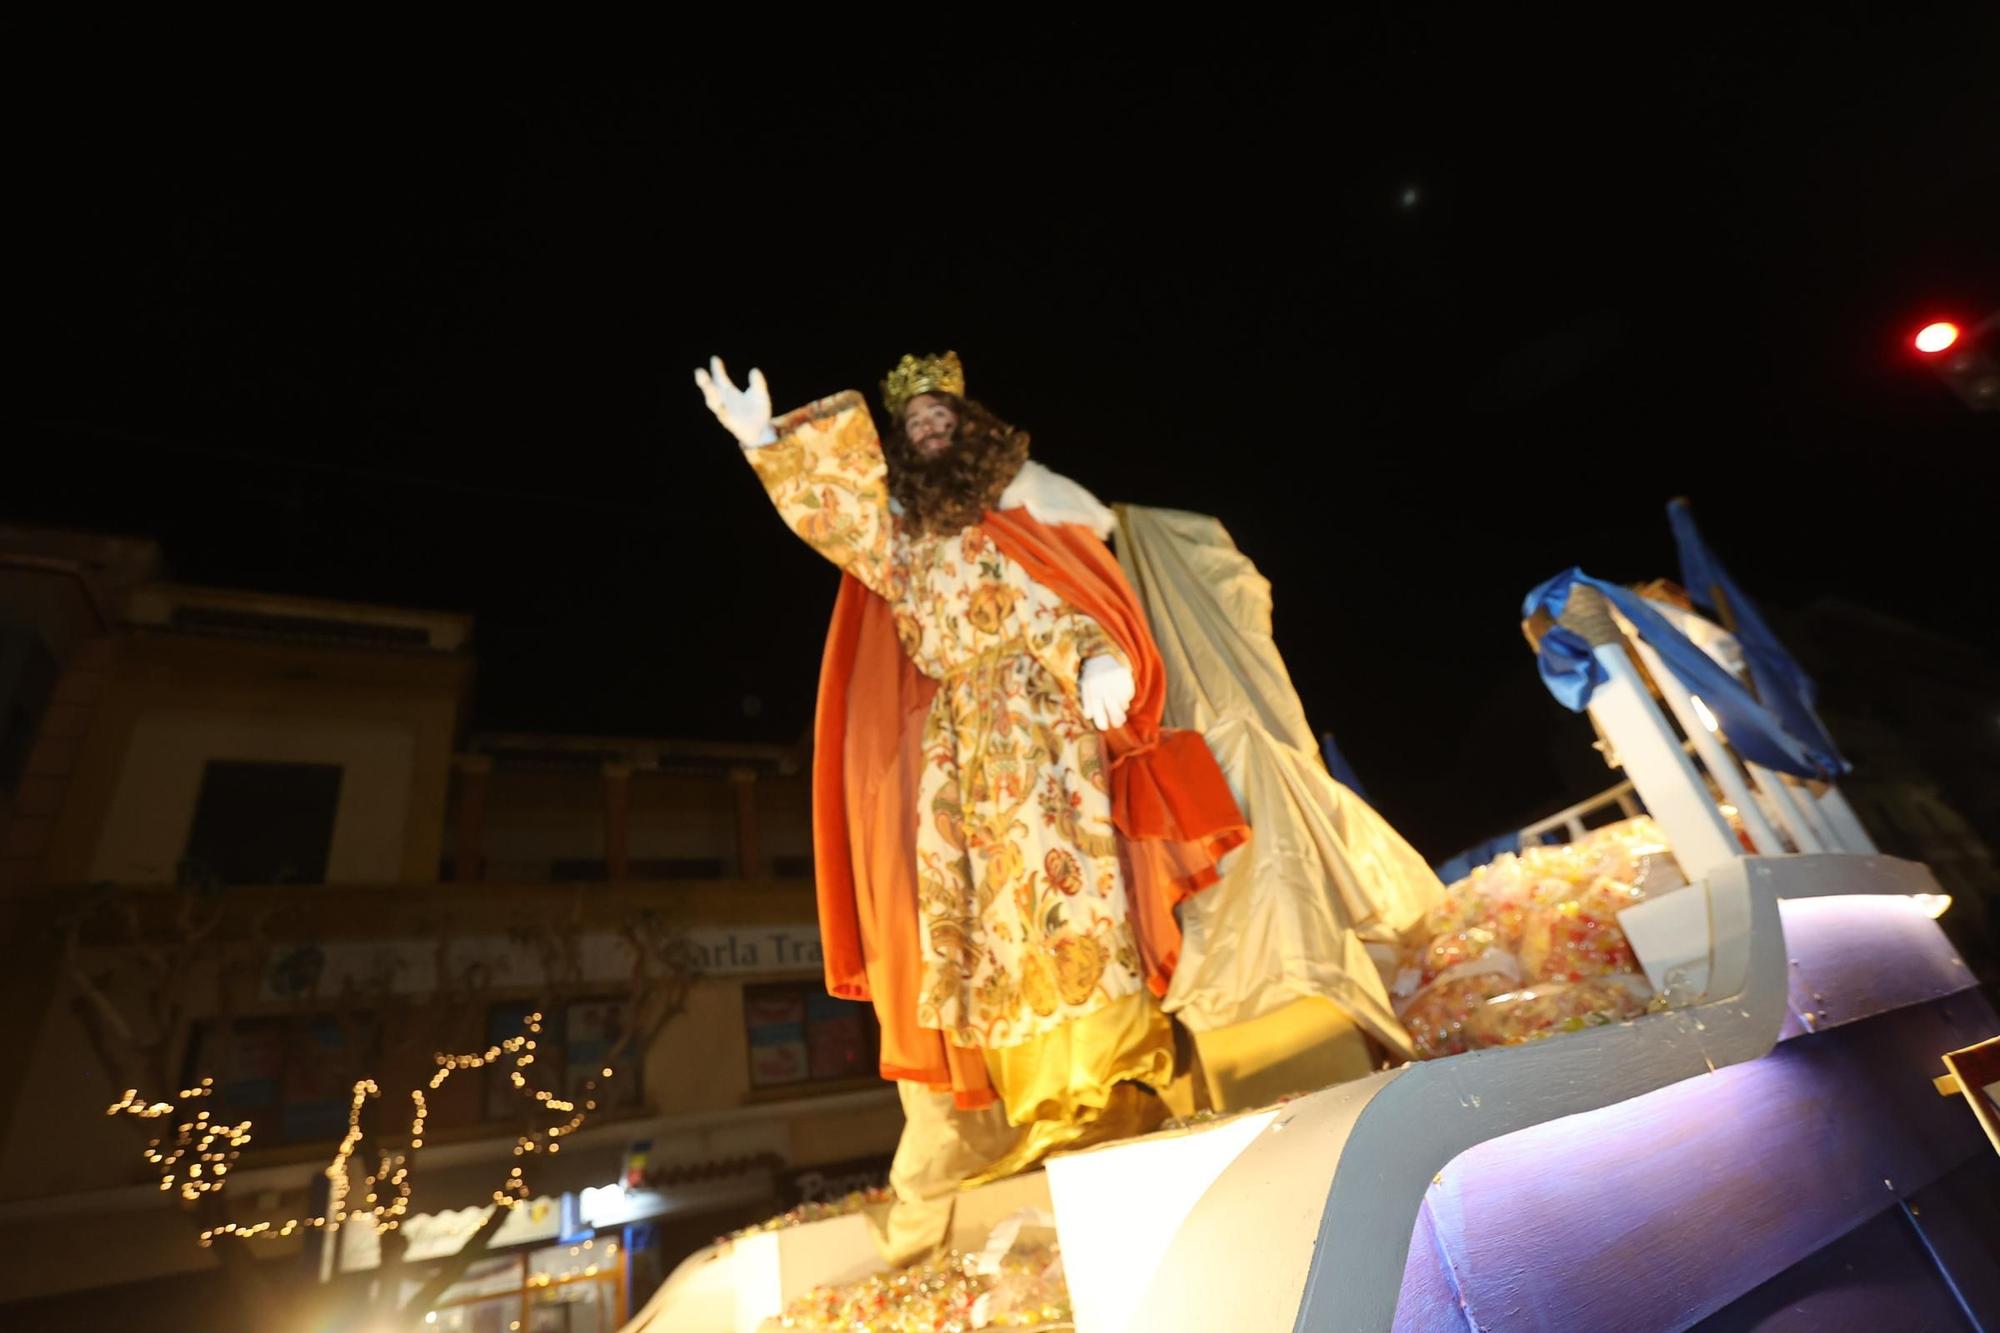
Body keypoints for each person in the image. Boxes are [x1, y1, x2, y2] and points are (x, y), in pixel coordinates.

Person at [695, 352, 1246, 1258]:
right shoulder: (902, 537)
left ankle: (1119, 1082)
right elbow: (841, 520)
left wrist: (1096, 657)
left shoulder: (1023, 507)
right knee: (992, 927)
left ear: (972, 423)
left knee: (1077, 899)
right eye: (912, 422)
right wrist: (766, 441)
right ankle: (1040, 1106)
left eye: (941, 415)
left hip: (1045, 727)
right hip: (958, 751)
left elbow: (1062, 597)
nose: (929, 428)